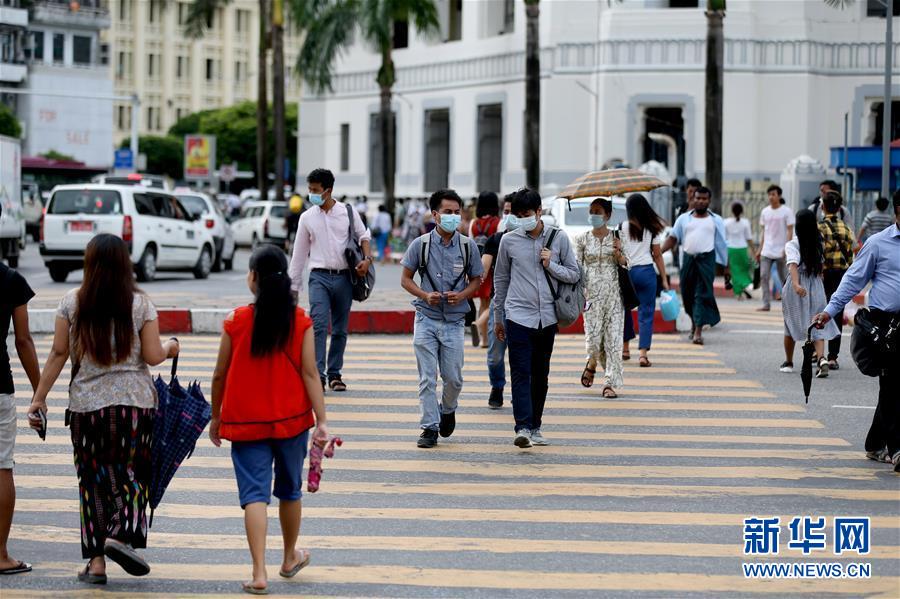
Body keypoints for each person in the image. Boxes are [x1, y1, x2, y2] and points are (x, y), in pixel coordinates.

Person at [27, 234, 179, 584]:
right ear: (126, 264)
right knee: (133, 475)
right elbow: (153, 355)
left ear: (89, 263)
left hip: (87, 409)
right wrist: (171, 347)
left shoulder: (71, 302)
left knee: (91, 482)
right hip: (134, 407)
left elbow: (59, 353)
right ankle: (120, 534)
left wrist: (39, 398)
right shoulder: (141, 304)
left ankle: (96, 563)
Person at [209, 246, 328, 595]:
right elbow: (310, 373)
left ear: (254, 278)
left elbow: (219, 374)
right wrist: (322, 419)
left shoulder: (236, 321)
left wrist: (215, 417)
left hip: (246, 423)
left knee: (254, 496)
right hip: (292, 421)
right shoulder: (300, 320)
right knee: (290, 490)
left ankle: (259, 572)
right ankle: (289, 557)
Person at [814, 191, 900, 470]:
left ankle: (875, 443)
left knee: (893, 386)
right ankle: (896, 448)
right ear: (898, 211)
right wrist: (829, 311)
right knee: (892, 383)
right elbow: (853, 280)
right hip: (887, 325)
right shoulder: (878, 243)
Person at [493, 188, 580, 448]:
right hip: (517, 316)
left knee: (540, 374)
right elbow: (501, 279)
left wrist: (551, 264)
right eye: (518, 215)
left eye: (527, 214)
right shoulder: (508, 241)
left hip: (547, 318)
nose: (522, 219)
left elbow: (574, 274)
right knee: (520, 372)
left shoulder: (558, 238)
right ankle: (522, 427)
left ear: (539, 211)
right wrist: (498, 316)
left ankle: (535, 426)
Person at [400, 189, 483, 449]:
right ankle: (429, 427)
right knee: (427, 378)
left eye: (457, 212)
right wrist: (425, 295)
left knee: (453, 378)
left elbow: (477, 280)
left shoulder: (468, 246)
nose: (453, 217)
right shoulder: (421, 244)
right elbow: (405, 279)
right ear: (435, 214)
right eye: (448, 212)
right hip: (425, 318)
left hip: (455, 322)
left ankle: (448, 409)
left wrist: (462, 295)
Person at [289, 168, 373, 393]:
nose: (312, 194)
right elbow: (299, 254)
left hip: (345, 277)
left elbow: (363, 236)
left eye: (315, 190)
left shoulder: (348, 212)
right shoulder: (307, 217)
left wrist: (367, 260)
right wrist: (293, 286)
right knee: (317, 325)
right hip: (318, 277)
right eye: (309, 189)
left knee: (339, 329)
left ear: (328, 190)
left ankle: (335, 374)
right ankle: (318, 375)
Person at [0, 248, 39, 576]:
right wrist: (40, 392)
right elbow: (23, 341)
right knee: (1, 467)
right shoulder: (10, 280)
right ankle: (0, 555)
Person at [575, 198, 628, 398]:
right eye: (592, 211)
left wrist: (618, 253)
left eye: (598, 212)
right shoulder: (581, 239)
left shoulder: (618, 236)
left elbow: (627, 263)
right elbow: (576, 268)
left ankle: (609, 383)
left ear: (608, 215)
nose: (593, 215)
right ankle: (592, 361)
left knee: (613, 341)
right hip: (590, 297)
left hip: (614, 296)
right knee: (594, 339)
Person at [661, 187, 727, 345]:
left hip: (706, 261)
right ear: (693, 199)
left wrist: (726, 267)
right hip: (688, 260)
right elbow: (673, 238)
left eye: (704, 199)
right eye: (698, 198)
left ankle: (698, 331)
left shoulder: (716, 220)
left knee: (701, 295)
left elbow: (722, 244)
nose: (701, 201)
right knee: (687, 295)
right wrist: (658, 252)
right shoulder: (683, 219)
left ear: (709, 201)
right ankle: (694, 322)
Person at [779, 209, 839, 378]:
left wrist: (796, 284)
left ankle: (789, 362)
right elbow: (820, 268)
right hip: (816, 285)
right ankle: (821, 358)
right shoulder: (818, 243)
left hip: (798, 288)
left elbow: (792, 265)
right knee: (817, 322)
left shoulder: (793, 244)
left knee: (790, 323)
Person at [620, 194, 670, 366]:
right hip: (647, 273)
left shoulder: (621, 227)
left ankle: (625, 349)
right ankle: (643, 354)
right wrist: (664, 279)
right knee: (646, 313)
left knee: (624, 310)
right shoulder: (651, 228)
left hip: (628, 273)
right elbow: (657, 255)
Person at [481, 195, 517, 409]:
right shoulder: (495, 240)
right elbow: (484, 268)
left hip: (524, 304)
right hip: (500, 303)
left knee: (520, 355)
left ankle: (520, 392)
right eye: (506, 211)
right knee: (495, 356)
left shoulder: (532, 241)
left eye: (513, 212)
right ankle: (497, 386)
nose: (509, 216)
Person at [817, 191, 855, 371]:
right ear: (840, 208)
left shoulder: (819, 227)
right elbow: (851, 255)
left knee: (820, 311)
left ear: (822, 206)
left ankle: (818, 352)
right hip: (841, 275)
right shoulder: (846, 228)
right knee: (836, 313)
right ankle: (833, 357)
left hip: (823, 275)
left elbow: (818, 254)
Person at [756, 185, 795, 312]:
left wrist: (786, 248)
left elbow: (790, 230)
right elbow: (764, 232)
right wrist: (760, 249)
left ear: (779, 196)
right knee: (764, 276)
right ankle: (766, 303)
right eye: (769, 194)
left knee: (784, 278)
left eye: (773, 194)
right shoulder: (765, 212)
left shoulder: (786, 211)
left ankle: (789, 303)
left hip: (781, 251)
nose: (771, 197)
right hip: (766, 250)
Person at [470, 191, 502, 348]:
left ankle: (484, 340)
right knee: (493, 302)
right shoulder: (498, 223)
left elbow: (470, 245)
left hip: (478, 266)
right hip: (494, 267)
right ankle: (480, 325)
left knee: (483, 303)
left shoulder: (473, 223)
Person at [724, 201, 755, 300]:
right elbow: (749, 238)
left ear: (732, 211)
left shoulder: (726, 222)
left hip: (731, 249)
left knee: (734, 271)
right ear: (741, 211)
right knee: (743, 270)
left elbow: (724, 238)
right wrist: (754, 251)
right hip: (742, 249)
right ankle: (745, 284)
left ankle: (738, 293)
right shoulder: (745, 222)